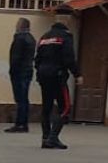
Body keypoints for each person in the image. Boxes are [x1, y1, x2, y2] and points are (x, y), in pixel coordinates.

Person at [35, 21, 83, 149]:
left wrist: (40, 72)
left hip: (43, 76)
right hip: (58, 76)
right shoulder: (66, 36)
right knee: (65, 108)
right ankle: (53, 138)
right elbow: (69, 58)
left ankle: (45, 138)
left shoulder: (44, 37)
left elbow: (37, 58)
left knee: (46, 108)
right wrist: (77, 74)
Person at [4, 18, 36, 133]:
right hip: (27, 70)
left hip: (19, 71)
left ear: (21, 26)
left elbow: (15, 57)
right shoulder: (31, 38)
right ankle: (24, 123)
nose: (16, 26)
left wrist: (12, 70)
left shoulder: (19, 38)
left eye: (17, 24)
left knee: (20, 98)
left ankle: (19, 124)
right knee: (24, 98)